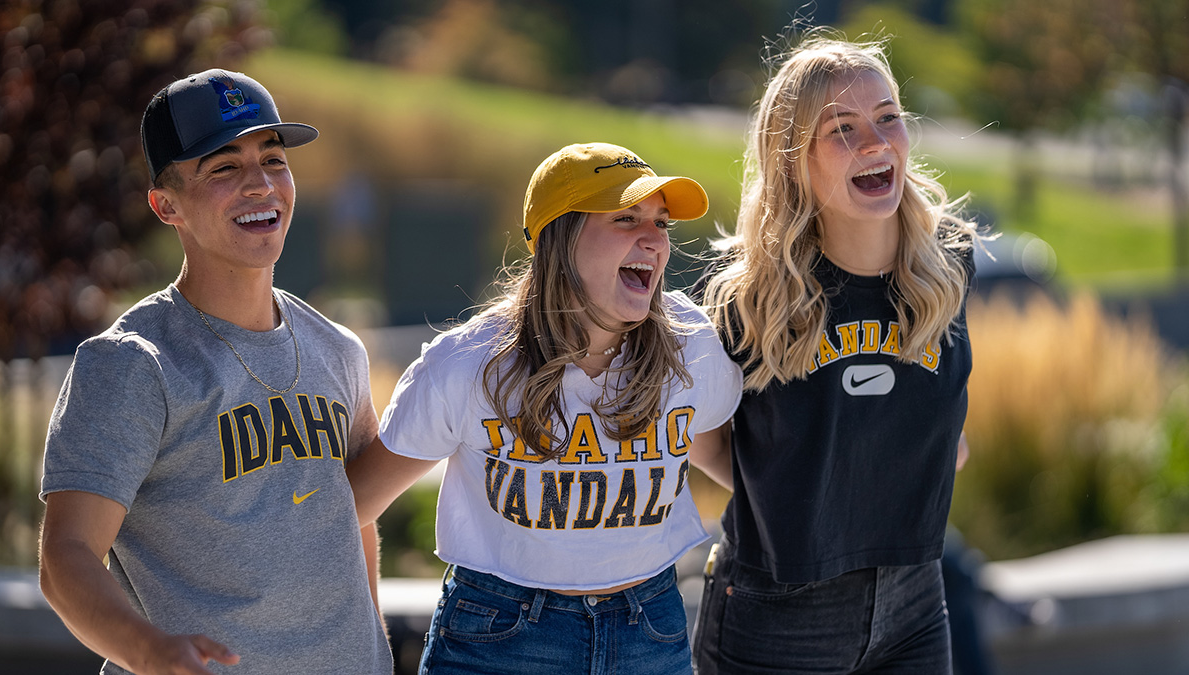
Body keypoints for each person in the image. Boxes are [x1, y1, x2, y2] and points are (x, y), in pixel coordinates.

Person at [38, 69, 394, 674]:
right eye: (224, 167)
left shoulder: (339, 349)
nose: (260, 185)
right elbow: (65, 559)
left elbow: (348, 517)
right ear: (166, 204)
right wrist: (148, 651)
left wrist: (375, 650)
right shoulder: (132, 364)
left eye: (273, 159)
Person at [346, 142, 743, 675]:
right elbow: (350, 511)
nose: (653, 241)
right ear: (560, 238)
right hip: (499, 638)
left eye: (661, 224)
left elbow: (730, 462)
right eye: (627, 219)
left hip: (650, 632)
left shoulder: (692, 343)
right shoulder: (468, 365)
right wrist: (358, 644)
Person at [691, 32, 980, 674]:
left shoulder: (949, 263)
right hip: (778, 610)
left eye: (888, 118)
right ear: (795, 160)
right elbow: (705, 441)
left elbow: (948, 418)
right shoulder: (752, 297)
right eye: (842, 129)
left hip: (915, 600)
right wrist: (799, 500)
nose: (876, 142)